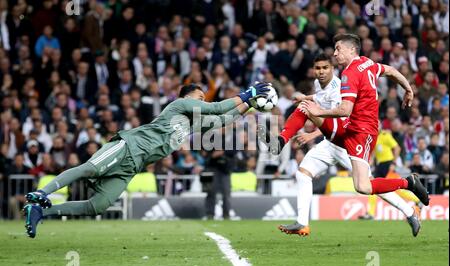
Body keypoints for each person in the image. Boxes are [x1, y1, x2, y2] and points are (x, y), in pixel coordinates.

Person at [23, 82, 271, 238]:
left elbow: (223, 119)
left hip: (133, 166)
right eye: (200, 98)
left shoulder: (194, 122)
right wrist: (245, 93)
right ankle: (41, 194)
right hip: (127, 146)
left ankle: (41, 212)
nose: (203, 103)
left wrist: (248, 104)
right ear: (186, 97)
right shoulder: (178, 105)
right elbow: (217, 108)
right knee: (89, 169)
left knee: (97, 205)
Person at [258, 53, 422, 237]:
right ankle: (302, 223)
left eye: (325, 68)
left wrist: (312, 132)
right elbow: (321, 102)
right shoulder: (320, 85)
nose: (320, 72)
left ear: (332, 69)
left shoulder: (340, 87)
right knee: (303, 173)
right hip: (331, 143)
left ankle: (410, 210)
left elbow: (336, 117)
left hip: (347, 140)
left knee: (367, 186)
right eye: (318, 68)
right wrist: (309, 97)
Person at [298, 33, 429, 233]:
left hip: (362, 131)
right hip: (351, 129)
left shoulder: (350, 73)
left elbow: (344, 110)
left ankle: (408, 183)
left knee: (363, 186)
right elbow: (392, 70)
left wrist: (317, 111)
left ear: (352, 49)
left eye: (338, 49)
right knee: (357, 179)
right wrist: (407, 88)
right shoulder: (367, 63)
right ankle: (409, 209)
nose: (335, 53)